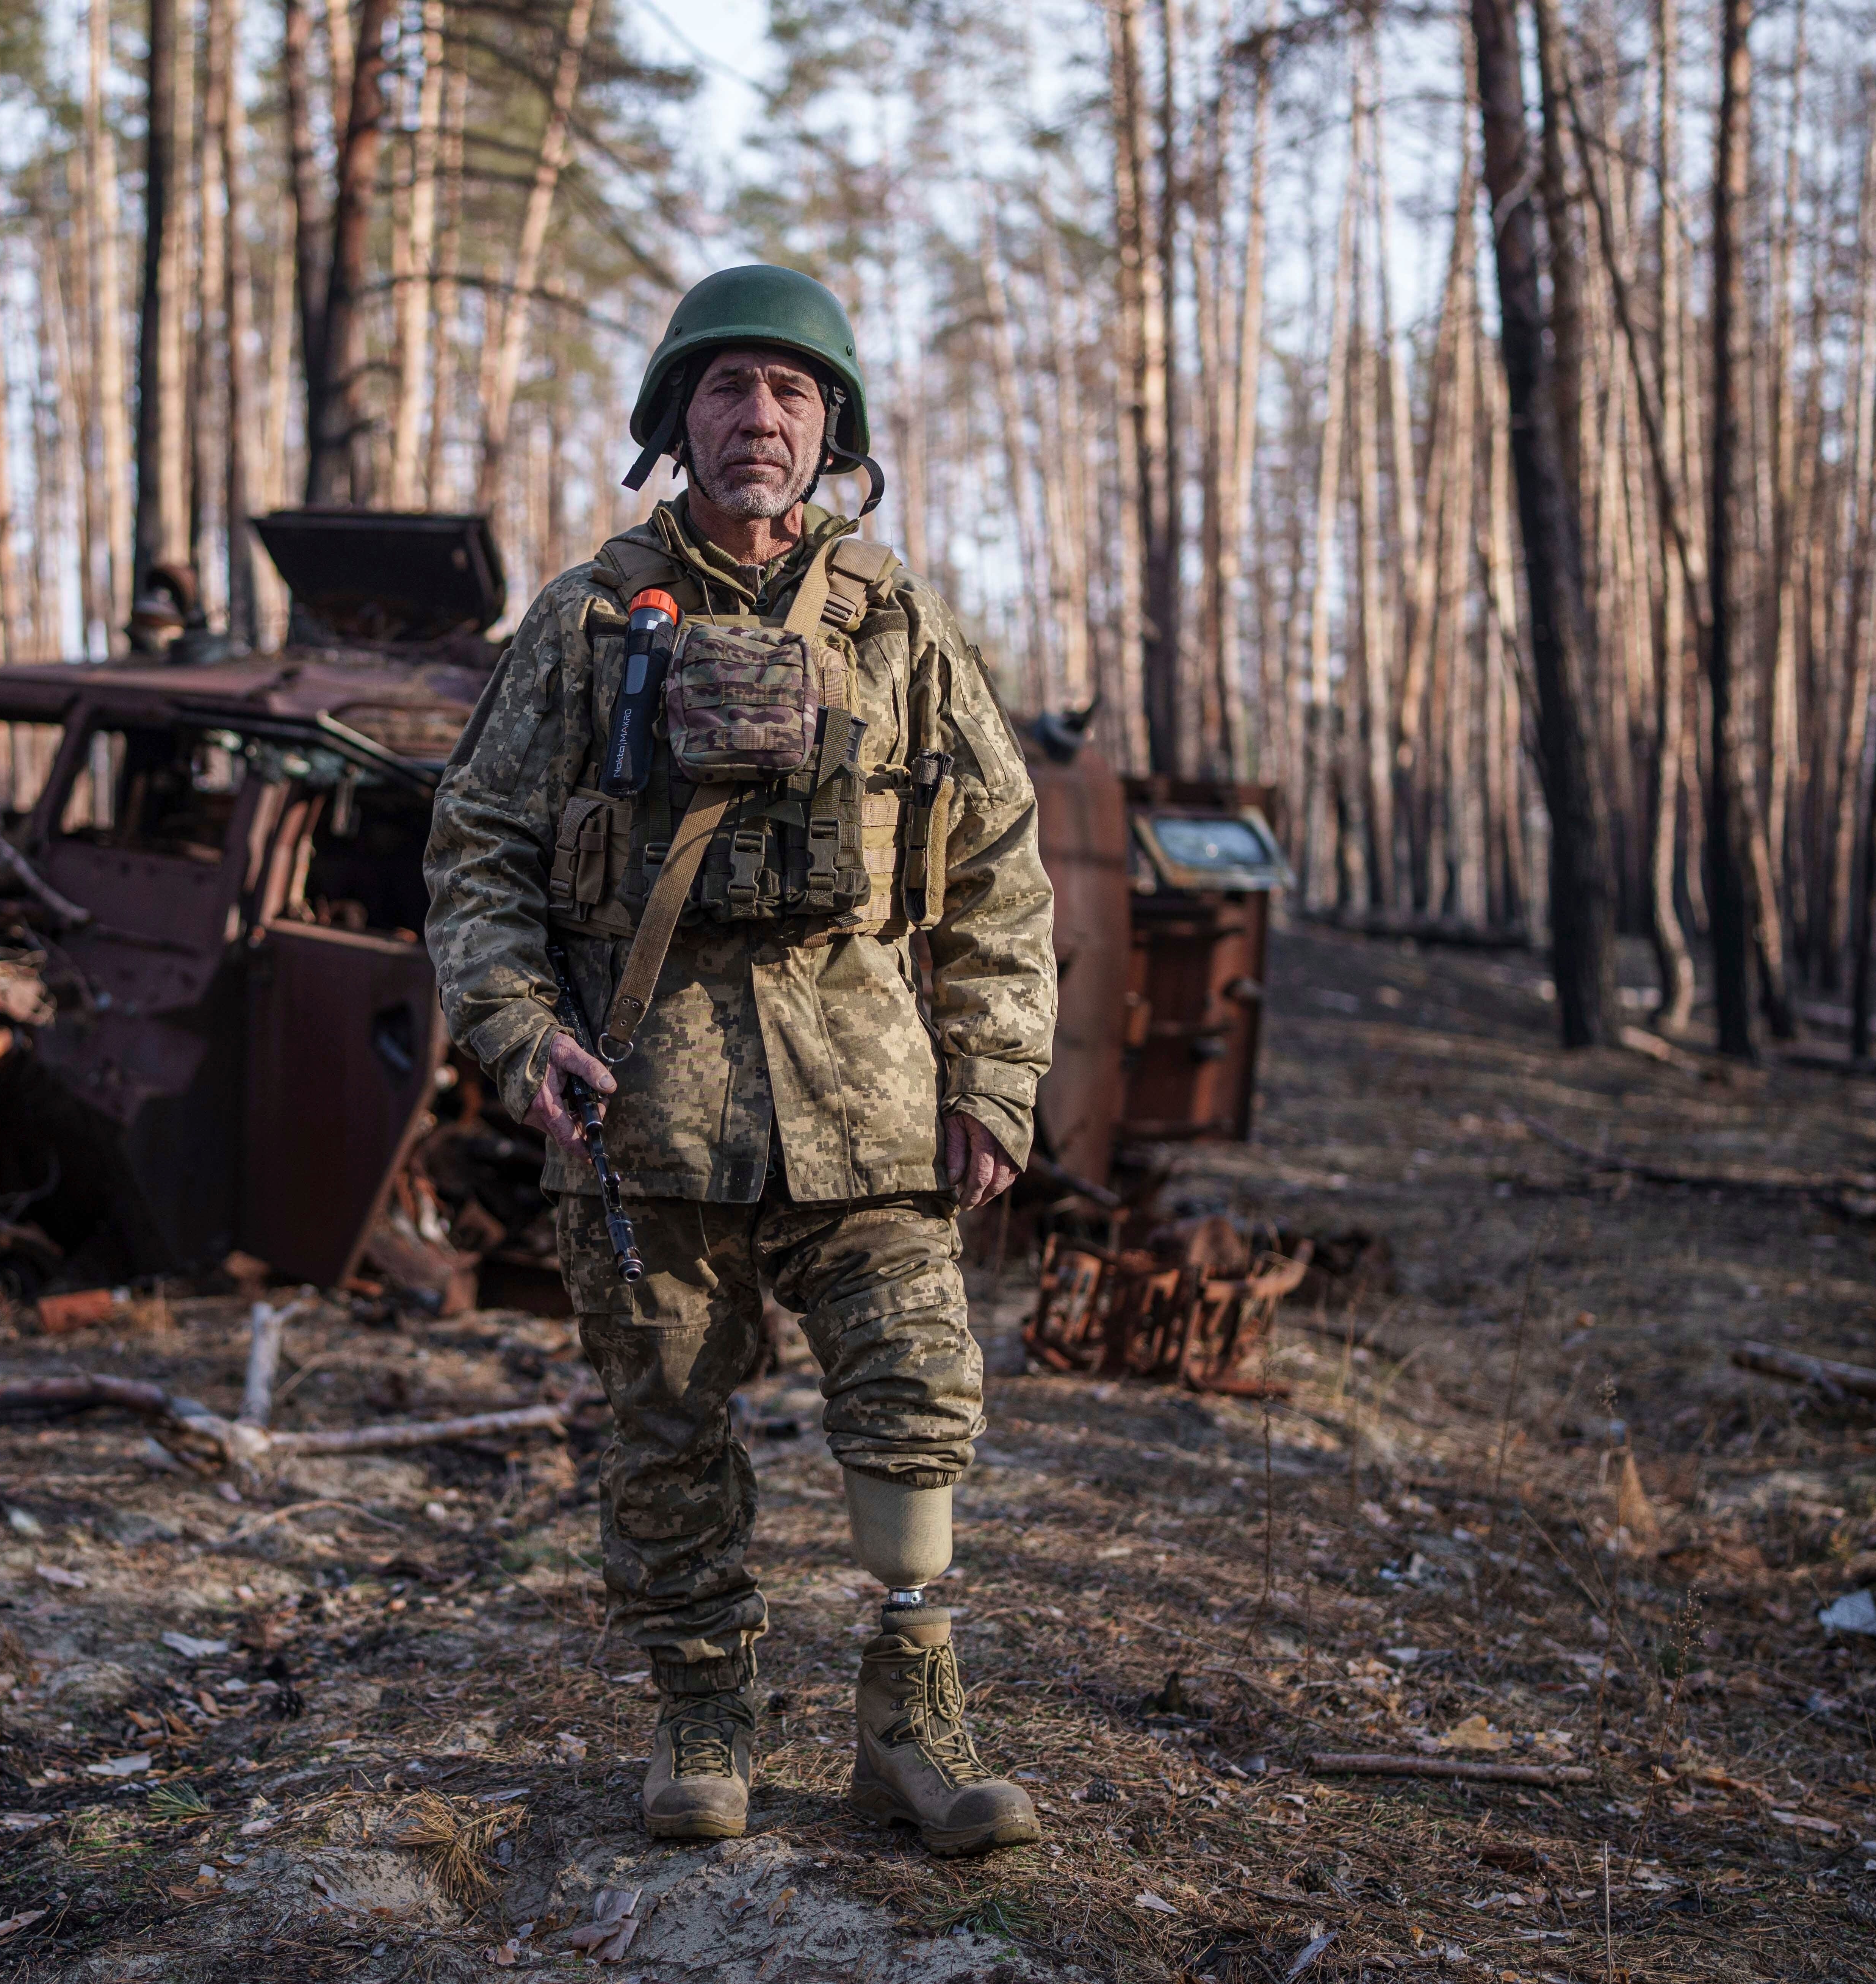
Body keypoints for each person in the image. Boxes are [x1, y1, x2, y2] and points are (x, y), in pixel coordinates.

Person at [422, 264, 1057, 1856]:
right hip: (652, 1100)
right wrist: (516, 1031)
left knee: (918, 1400)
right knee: (667, 1423)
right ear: (673, 419)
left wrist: (994, 1080)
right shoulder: (583, 622)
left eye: (789, 389)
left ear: (830, 422)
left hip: (868, 1095)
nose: (757, 416)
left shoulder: (899, 626)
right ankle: (701, 1709)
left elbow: (994, 868)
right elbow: (477, 855)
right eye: (725, 387)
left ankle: (910, 1722)